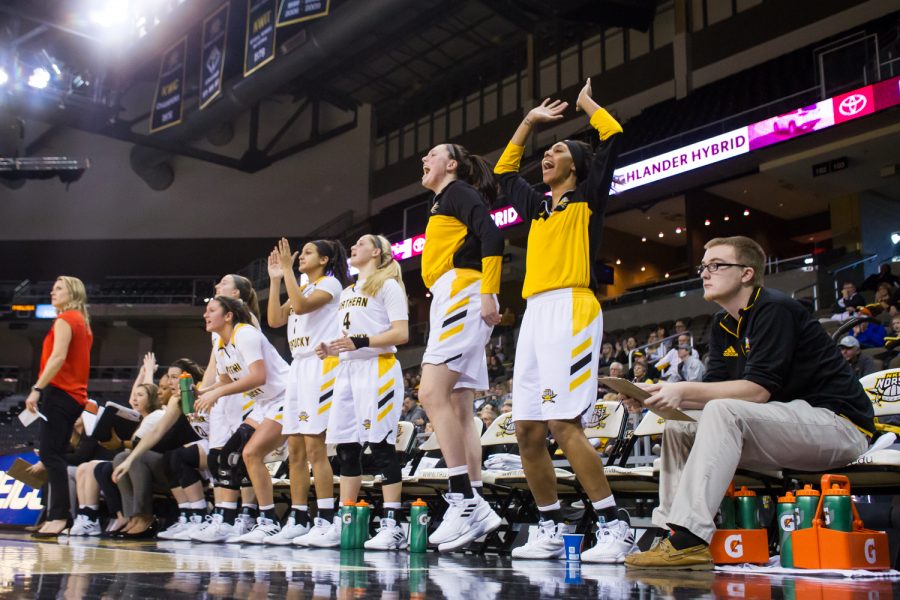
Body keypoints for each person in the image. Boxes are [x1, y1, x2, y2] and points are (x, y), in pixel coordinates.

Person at [623, 236, 872, 570]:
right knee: (682, 424)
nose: (705, 273)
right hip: (782, 428)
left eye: (716, 265)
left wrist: (681, 389)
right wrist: (654, 398)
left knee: (722, 410)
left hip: (838, 426)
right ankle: (671, 533)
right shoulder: (722, 324)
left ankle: (689, 539)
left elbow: (757, 392)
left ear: (747, 273)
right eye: (703, 266)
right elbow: (709, 394)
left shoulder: (774, 307)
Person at [494, 80, 635, 562]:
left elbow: (612, 134)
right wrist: (530, 123)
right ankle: (550, 526)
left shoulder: (589, 198)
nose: (547, 157)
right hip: (535, 315)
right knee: (528, 432)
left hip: (573, 309)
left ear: (575, 163)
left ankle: (616, 525)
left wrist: (587, 106)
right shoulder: (537, 207)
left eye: (556, 151)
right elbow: (503, 170)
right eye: (546, 152)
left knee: (562, 421)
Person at [416, 140, 505, 552]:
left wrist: (489, 292)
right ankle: (473, 498)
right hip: (456, 294)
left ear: (451, 164)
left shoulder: (457, 192)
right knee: (458, 406)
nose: (424, 159)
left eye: (432, 155)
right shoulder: (444, 200)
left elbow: (492, 236)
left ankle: (464, 502)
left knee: (430, 393)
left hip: (463, 293)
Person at [314, 234, 409, 550]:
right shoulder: (347, 292)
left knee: (381, 448)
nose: (353, 247)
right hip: (347, 370)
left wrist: (362, 341)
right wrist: (330, 347)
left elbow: (401, 332)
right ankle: (347, 521)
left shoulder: (388, 285)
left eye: (361, 244)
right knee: (346, 450)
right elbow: (348, 335)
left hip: (377, 368)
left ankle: (393, 525)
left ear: (377, 252)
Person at [266, 237, 351, 546]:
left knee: (315, 447)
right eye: (299, 255)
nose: (301, 257)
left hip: (322, 366)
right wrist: (276, 280)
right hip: (298, 368)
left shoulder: (331, 285)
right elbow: (275, 319)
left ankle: (326, 518)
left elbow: (300, 306)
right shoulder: (300, 286)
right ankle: (299, 517)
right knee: (295, 450)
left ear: (325, 260)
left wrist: (288, 271)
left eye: (308, 253)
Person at [192, 295, 289, 543]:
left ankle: (268, 521)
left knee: (250, 454)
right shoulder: (221, 344)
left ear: (228, 315)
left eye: (211, 310)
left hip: (285, 396)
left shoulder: (244, 334)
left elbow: (258, 376)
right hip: (264, 403)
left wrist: (218, 393)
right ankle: (234, 519)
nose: (205, 314)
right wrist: (202, 391)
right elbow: (225, 379)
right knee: (229, 455)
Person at [112, 358, 208, 540]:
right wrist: (130, 459)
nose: (170, 381)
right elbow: (157, 431)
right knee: (170, 457)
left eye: (174, 377)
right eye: (168, 377)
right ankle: (187, 517)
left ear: (188, 378)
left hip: (218, 444)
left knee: (177, 456)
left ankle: (200, 515)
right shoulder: (177, 401)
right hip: (198, 452)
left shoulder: (204, 392)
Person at [26, 276, 93, 538]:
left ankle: (58, 516)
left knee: (51, 456)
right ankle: (55, 515)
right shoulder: (82, 321)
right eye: (52, 288)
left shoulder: (66, 319)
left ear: (73, 292)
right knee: (55, 456)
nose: (52, 292)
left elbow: (58, 357)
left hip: (61, 393)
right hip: (74, 396)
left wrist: (37, 388)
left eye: (59, 288)